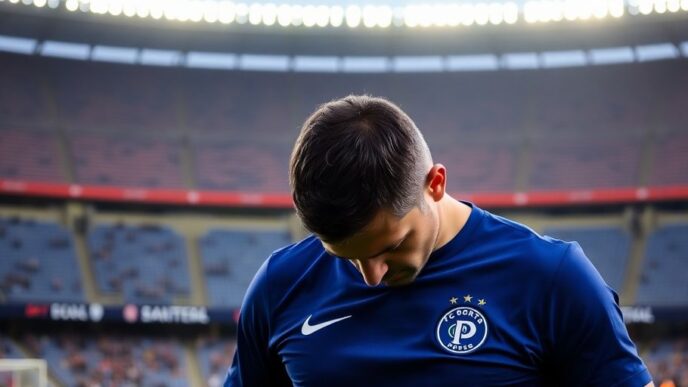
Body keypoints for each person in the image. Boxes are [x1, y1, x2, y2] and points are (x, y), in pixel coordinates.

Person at [225, 95, 653, 386]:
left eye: (388, 247)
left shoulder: (551, 279)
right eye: (345, 258)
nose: (371, 277)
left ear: (435, 183)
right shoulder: (281, 284)